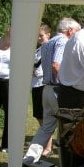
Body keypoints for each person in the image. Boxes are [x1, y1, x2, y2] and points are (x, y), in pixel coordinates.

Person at [23, 18, 81, 165]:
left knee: (46, 128)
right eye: (77, 31)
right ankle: (66, 164)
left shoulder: (48, 43)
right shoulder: (62, 41)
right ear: (70, 31)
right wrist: (66, 85)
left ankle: (29, 159)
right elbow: (56, 65)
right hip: (57, 90)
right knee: (67, 128)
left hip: (47, 89)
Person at [31, 24, 52, 155]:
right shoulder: (38, 50)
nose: (39, 38)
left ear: (48, 35)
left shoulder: (51, 48)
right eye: (37, 36)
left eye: (41, 35)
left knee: (46, 117)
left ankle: (48, 147)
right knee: (39, 117)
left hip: (44, 84)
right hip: (35, 85)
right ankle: (45, 144)